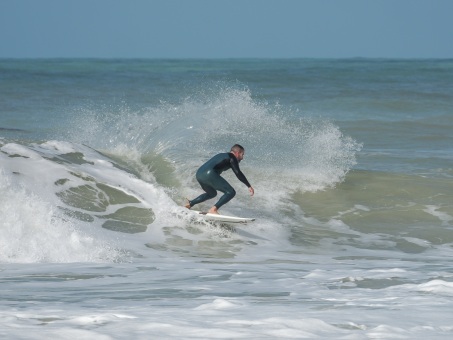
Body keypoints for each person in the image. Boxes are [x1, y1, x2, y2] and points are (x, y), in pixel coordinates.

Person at [185, 144, 254, 214]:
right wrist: (248, 186)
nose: (242, 158)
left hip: (199, 174)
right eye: (242, 154)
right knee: (231, 192)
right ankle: (213, 209)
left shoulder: (222, 155)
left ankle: (190, 203)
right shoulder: (232, 158)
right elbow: (238, 173)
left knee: (212, 193)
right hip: (209, 174)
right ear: (237, 153)